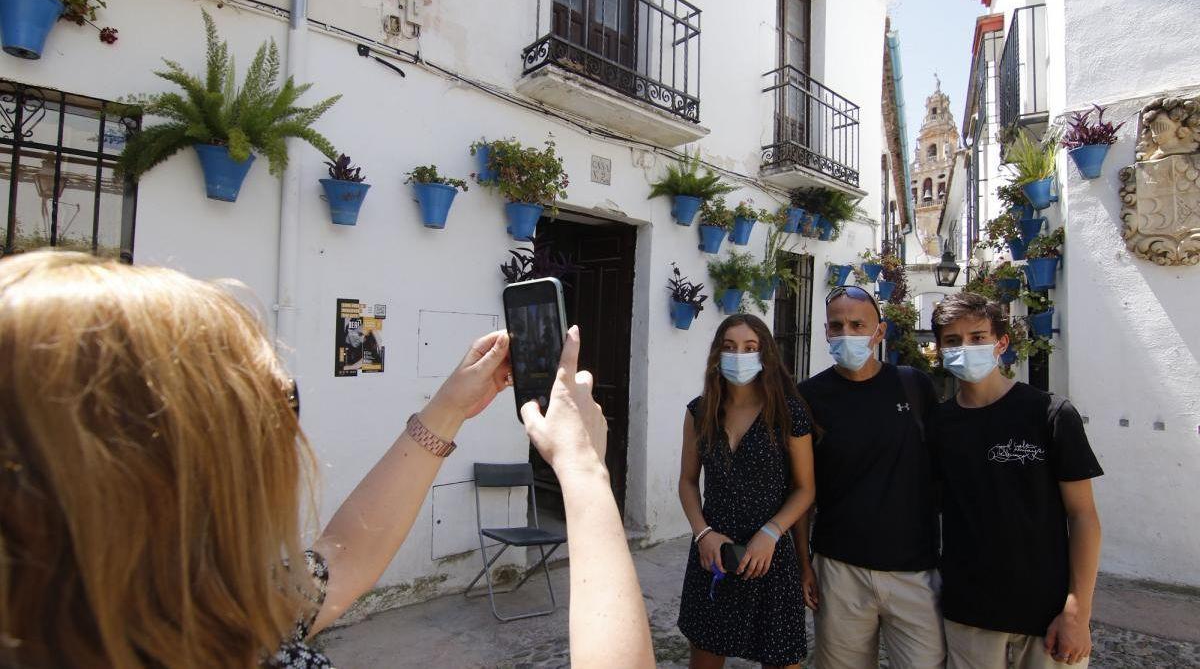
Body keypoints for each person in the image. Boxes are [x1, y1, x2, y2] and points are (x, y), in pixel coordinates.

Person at [0, 251, 654, 669]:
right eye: (273, 402)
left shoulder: (196, 615)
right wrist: (584, 470)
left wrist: (446, 411)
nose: (290, 423)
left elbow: (340, 559)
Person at [930, 293, 1103, 669]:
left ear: (1001, 343)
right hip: (969, 612)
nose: (966, 348)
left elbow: (1083, 516)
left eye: (977, 337)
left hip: (1048, 615)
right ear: (940, 349)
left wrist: (1077, 611)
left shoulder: (1050, 413)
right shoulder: (938, 426)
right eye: (953, 341)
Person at [794, 285, 945, 668]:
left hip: (915, 571)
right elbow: (800, 488)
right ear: (827, 332)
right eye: (837, 325)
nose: (847, 333)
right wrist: (804, 563)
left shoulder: (914, 386)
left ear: (880, 331)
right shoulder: (808, 397)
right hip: (840, 571)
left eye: (858, 324)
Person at [677, 314, 816, 669]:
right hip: (713, 554)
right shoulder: (699, 411)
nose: (739, 355)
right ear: (716, 355)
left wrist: (771, 533)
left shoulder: (788, 412)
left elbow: (804, 489)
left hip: (769, 555)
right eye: (729, 347)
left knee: (781, 659)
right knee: (705, 657)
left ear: (765, 355)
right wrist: (702, 534)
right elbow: (688, 482)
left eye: (750, 347)